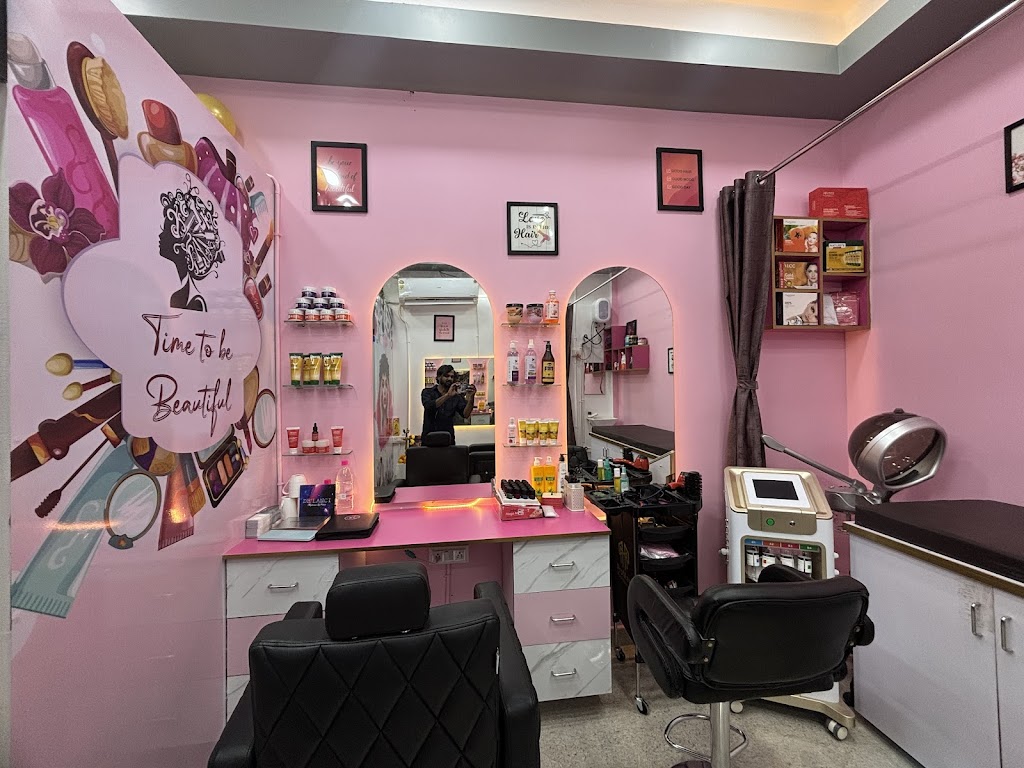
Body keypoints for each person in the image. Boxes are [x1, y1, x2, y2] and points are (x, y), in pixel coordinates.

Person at [421, 364, 476, 443]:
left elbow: (465, 414)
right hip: (429, 439)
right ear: (438, 377)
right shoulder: (427, 392)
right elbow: (429, 406)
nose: (450, 379)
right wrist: (447, 395)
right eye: (446, 376)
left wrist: (471, 398)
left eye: (452, 377)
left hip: (448, 440)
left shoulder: (456, 396)